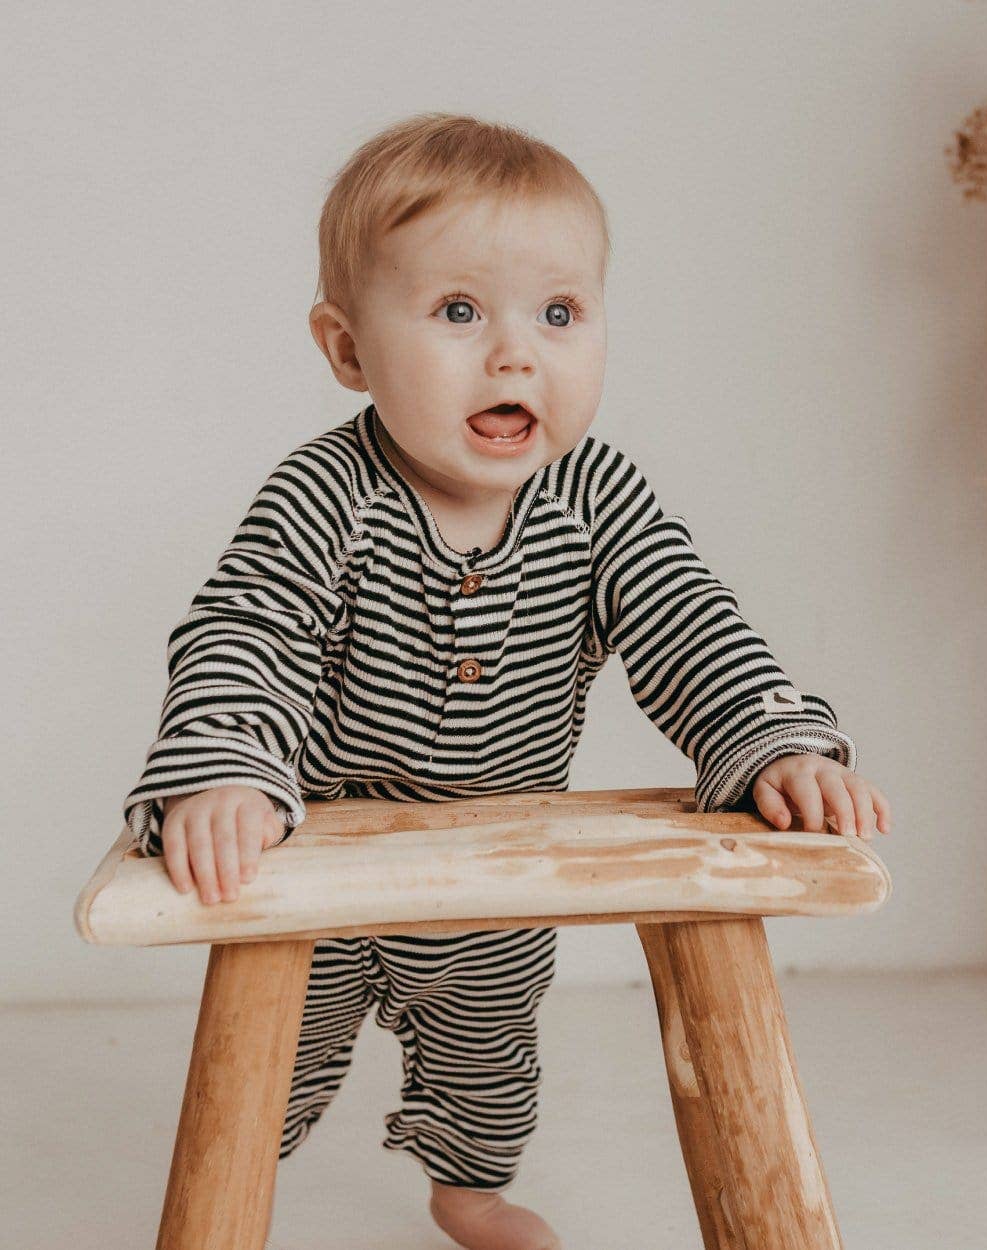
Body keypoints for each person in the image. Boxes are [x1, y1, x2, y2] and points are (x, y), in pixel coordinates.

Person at [122, 112, 892, 1250]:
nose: (515, 352)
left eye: (559, 313)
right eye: (457, 311)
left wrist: (772, 741)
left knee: (487, 1060)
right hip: (316, 851)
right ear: (346, 350)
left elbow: (691, 620)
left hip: (491, 858)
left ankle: (465, 1190)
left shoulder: (596, 497)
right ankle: (241, 1180)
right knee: (268, 1064)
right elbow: (249, 625)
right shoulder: (324, 493)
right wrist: (226, 773)